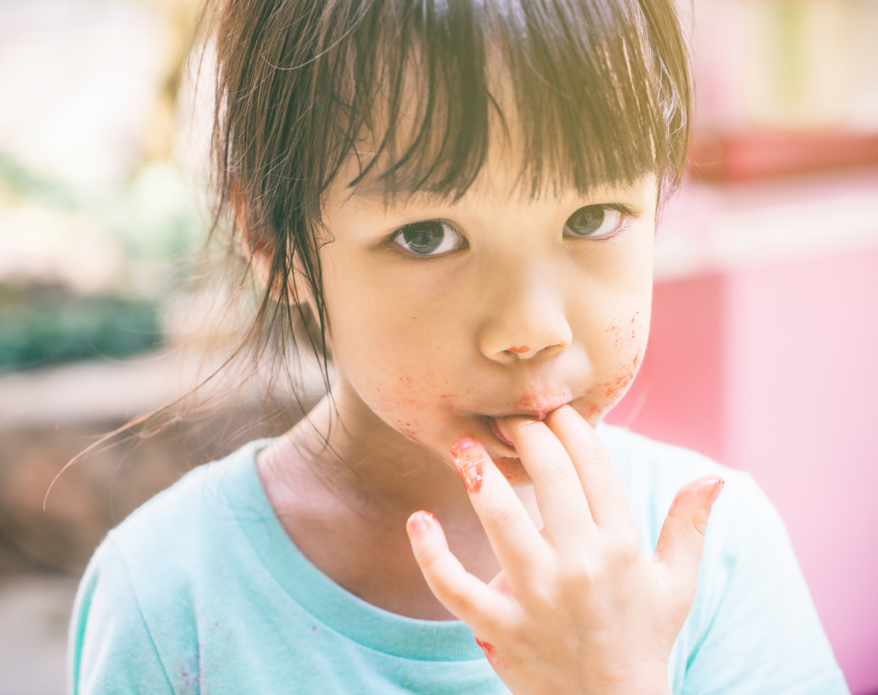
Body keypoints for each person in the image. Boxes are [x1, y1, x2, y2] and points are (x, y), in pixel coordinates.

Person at [68, 0, 849, 692]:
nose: (531, 328)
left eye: (592, 219)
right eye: (428, 236)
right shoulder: (174, 597)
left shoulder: (709, 556)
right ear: (270, 237)